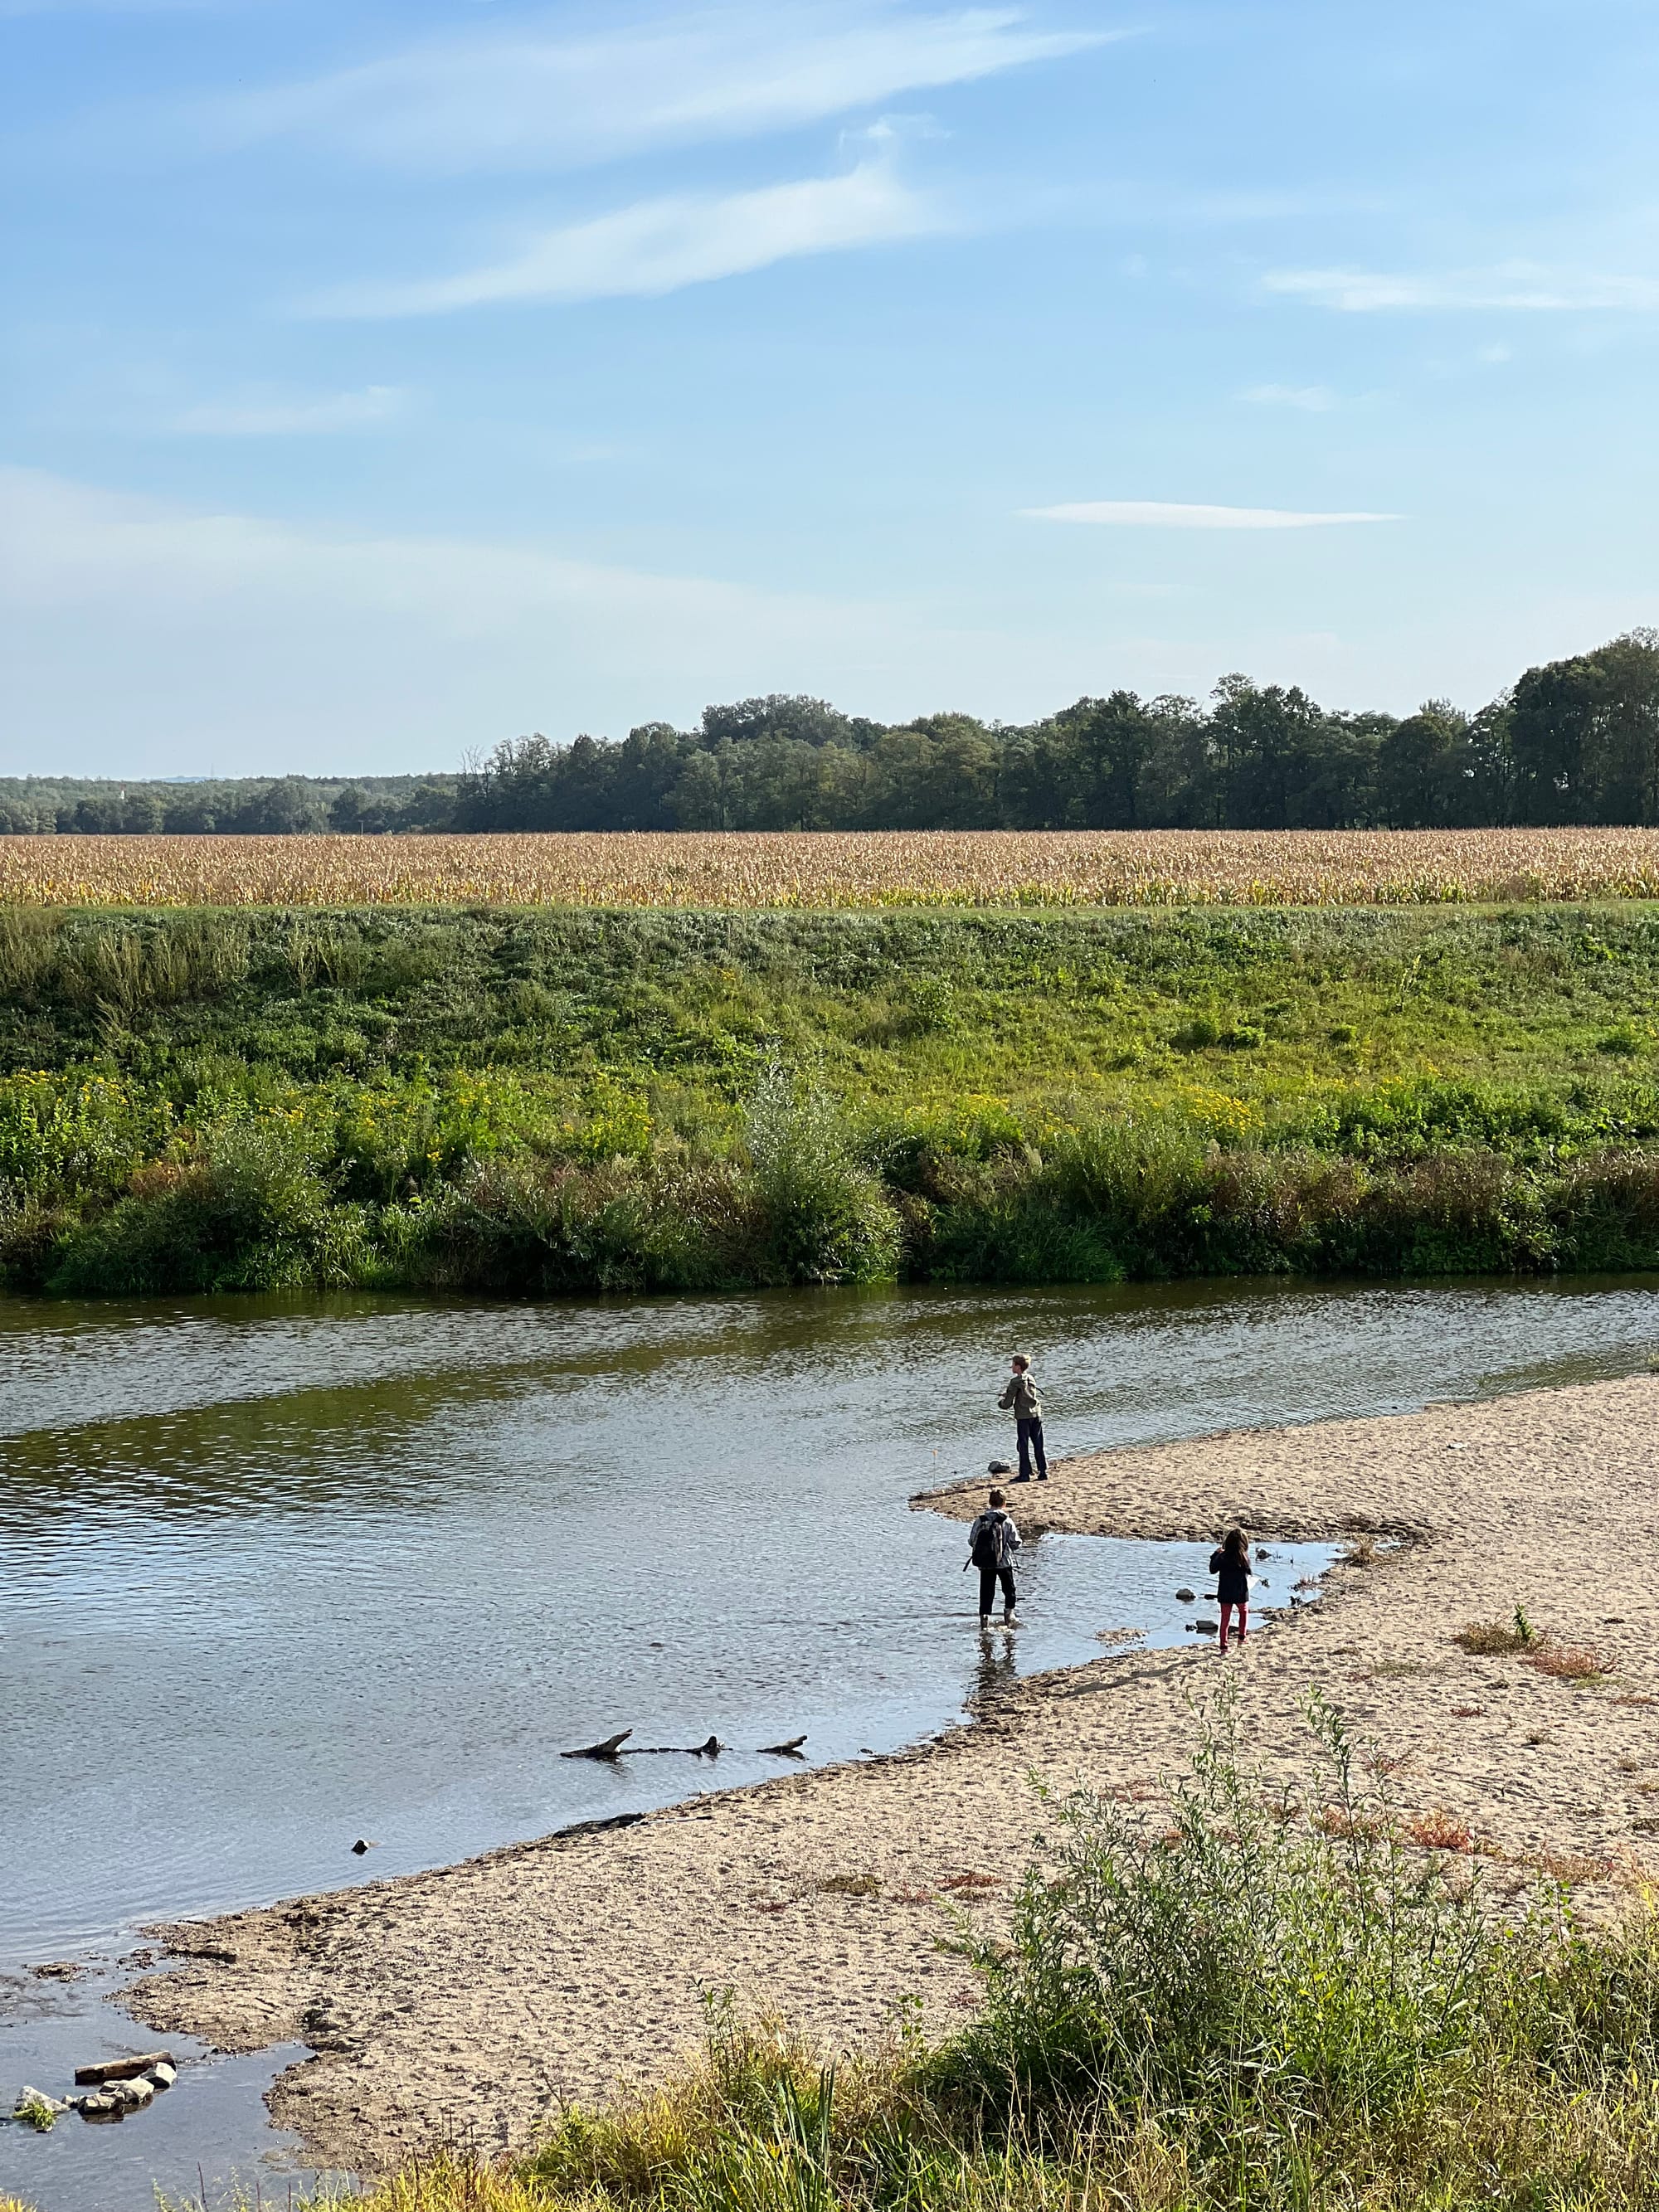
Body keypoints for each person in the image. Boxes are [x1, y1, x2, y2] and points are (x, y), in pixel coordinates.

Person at [966, 1487, 1021, 1629]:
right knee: (1009, 1591)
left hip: (985, 1564)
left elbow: (972, 1540)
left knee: (986, 1593)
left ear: (989, 1502)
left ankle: (984, 1623)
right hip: (1004, 1563)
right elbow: (1015, 1543)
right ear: (1004, 1503)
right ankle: (1009, 1618)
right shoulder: (1007, 1521)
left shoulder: (981, 1520)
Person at [998, 1354, 1047, 1482]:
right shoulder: (1030, 1378)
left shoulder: (1014, 1382)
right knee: (1038, 1443)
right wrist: (1009, 1393)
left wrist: (1001, 1401)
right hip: (1036, 1414)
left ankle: (1024, 1475)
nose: (1011, 1366)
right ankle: (1043, 1472)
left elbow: (1007, 1404)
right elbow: (1027, 1394)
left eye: (1013, 1364)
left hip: (1024, 1418)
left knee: (1023, 1445)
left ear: (1018, 1367)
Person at [1209, 1528, 1252, 1652]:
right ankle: (1241, 1638)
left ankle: (1223, 1646)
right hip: (1240, 1591)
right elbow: (1249, 1571)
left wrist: (1215, 1554)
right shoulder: (1243, 1557)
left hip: (1225, 1592)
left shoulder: (1223, 1556)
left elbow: (1212, 1569)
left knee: (1225, 1619)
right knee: (1243, 1613)